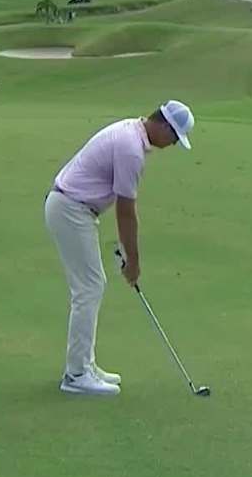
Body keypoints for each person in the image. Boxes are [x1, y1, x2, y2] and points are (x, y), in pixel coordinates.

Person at [45, 100, 195, 396]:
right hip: (71, 209)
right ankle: (76, 375)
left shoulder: (131, 133)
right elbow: (126, 211)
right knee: (89, 288)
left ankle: (84, 365)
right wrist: (133, 261)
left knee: (92, 285)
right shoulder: (131, 149)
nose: (173, 144)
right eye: (175, 138)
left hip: (73, 207)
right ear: (164, 126)